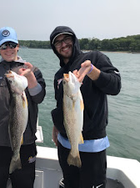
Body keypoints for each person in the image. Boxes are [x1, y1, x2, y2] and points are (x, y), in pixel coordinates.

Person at [49, 26, 121, 188]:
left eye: (66, 39)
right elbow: (61, 104)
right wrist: (56, 127)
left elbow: (115, 86)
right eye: (57, 42)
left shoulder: (94, 58)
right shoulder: (59, 75)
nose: (63, 44)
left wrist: (92, 71)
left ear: (74, 40)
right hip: (64, 144)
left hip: (92, 147)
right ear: (54, 49)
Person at [0, 26, 46, 188]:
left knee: (24, 184)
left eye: (11, 44)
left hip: (25, 141)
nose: (8, 49)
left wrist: (30, 77)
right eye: (3, 46)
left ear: (18, 46)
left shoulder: (33, 70)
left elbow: (39, 97)